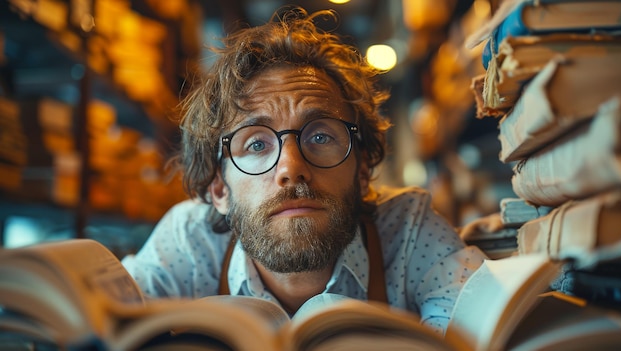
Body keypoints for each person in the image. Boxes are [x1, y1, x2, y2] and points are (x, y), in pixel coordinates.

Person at [122, 7, 486, 335]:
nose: (291, 168)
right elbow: (104, 325)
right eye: (256, 144)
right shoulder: (189, 243)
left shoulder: (408, 230)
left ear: (361, 172)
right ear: (219, 190)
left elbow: (474, 330)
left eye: (320, 136)